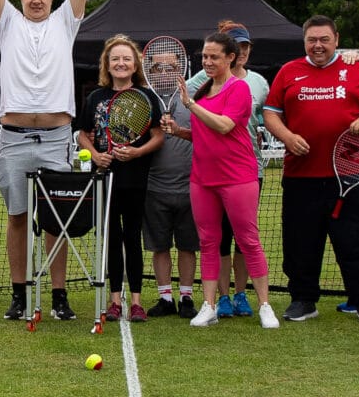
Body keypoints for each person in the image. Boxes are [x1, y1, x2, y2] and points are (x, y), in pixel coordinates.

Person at [0, 0, 100, 321]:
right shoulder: (6, 22)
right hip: (13, 138)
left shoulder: (65, 22)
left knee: (57, 221)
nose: (35, 0)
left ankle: (60, 296)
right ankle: (17, 293)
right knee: (16, 217)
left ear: (51, 0)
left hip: (55, 138)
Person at [263, 15, 359, 324]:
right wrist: (288, 137)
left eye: (324, 39)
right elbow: (270, 114)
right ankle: (303, 300)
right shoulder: (288, 72)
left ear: (336, 39)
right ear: (304, 41)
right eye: (312, 40)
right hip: (300, 176)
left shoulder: (355, 69)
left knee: (358, 240)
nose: (318, 45)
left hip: (349, 174)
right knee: (300, 242)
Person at [182, 33, 277, 328]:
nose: (208, 62)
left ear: (230, 58)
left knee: (249, 240)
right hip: (202, 178)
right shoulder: (201, 91)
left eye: (214, 57)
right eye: (204, 57)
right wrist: (176, 130)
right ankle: (209, 306)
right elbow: (203, 133)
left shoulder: (239, 89)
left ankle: (265, 305)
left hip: (238, 177)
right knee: (209, 242)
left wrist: (191, 106)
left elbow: (224, 126)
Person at [76, 35, 164, 322]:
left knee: (132, 237)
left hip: (135, 180)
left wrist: (137, 153)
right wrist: (96, 156)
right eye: (115, 59)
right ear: (107, 64)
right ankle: (114, 301)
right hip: (104, 179)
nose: (121, 63)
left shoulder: (147, 97)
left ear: (135, 63)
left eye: (126, 58)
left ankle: (136, 302)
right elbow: (82, 133)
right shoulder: (95, 97)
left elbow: (158, 136)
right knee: (111, 238)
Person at [147, 47, 200, 319]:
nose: (165, 73)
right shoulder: (144, 100)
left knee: (188, 246)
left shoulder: (193, 98)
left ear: (181, 69)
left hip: (191, 187)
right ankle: (165, 297)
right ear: (150, 72)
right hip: (154, 188)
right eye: (158, 68)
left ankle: (187, 297)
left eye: (171, 67)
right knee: (159, 246)